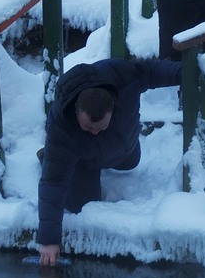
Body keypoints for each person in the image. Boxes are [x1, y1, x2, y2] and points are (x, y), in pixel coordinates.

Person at [36, 57, 181, 266]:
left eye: (100, 127)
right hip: (83, 158)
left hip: (123, 145)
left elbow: (156, 70)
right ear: (76, 110)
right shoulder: (62, 126)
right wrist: (48, 240)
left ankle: (113, 149)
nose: (94, 132)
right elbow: (53, 183)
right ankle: (47, 157)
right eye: (88, 128)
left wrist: (188, 72)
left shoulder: (124, 76)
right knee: (82, 204)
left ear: (113, 106)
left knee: (131, 162)